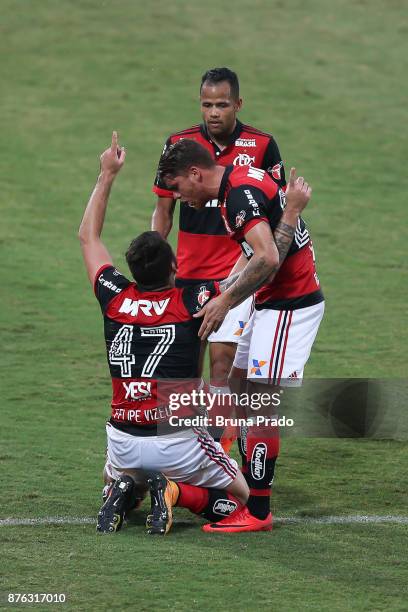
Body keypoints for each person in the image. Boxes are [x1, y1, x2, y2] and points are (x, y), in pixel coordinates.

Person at [78, 132, 249, 535]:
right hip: (176, 441)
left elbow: (88, 237)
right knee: (243, 498)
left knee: (121, 472)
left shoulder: (114, 297)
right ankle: (174, 490)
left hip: (122, 439)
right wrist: (283, 215)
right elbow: (249, 265)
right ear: (174, 268)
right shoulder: (194, 300)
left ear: (132, 271)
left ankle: (121, 489)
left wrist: (106, 174)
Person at [158, 139, 324, 532]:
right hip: (271, 302)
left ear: (196, 175)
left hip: (290, 305)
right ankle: (244, 487)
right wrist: (224, 289)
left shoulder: (238, 195)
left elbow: (268, 257)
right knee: (237, 389)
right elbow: (255, 250)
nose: (179, 197)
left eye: (178, 187)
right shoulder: (242, 179)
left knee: (259, 404)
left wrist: (225, 301)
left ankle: (259, 511)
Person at [152, 67, 286, 399]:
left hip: (234, 276)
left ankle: (220, 445)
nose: (214, 112)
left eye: (222, 105)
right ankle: (187, 445)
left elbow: (276, 210)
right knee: (183, 368)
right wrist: (156, 260)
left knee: (223, 370)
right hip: (187, 274)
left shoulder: (263, 144)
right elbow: (164, 209)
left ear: (238, 104)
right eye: (207, 104)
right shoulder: (178, 146)